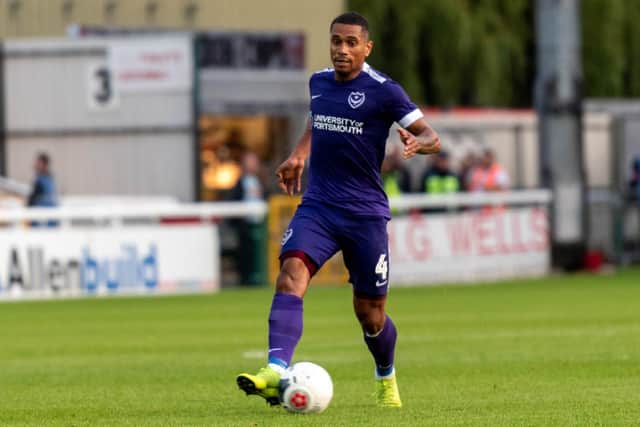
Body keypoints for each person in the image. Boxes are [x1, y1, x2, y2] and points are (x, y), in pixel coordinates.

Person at [236, 12, 440, 408]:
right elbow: (318, 121)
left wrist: (420, 144)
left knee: (371, 314)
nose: (342, 49)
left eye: (350, 42)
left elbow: (431, 134)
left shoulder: (385, 91)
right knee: (291, 273)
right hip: (320, 205)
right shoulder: (319, 82)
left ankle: (386, 376)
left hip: (365, 214)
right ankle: (275, 370)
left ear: (367, 47)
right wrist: (298, 153)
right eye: (336, 41)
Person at [228, 151, 265, 285]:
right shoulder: (239, 183)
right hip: (245, 225)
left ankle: (258, 278)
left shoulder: (260, 182)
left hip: (260, 224)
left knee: (259, 254)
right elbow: (233, 200)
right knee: (244, 253)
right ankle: (245, 279)